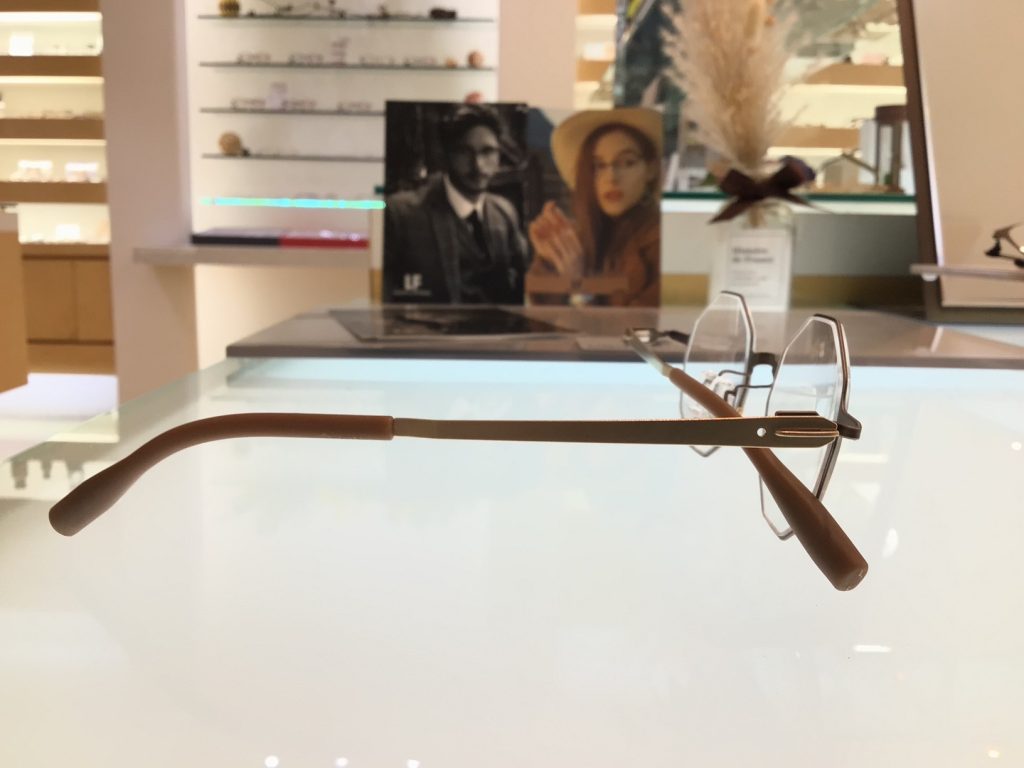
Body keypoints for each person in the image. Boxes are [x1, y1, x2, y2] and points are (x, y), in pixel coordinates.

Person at [383, 104, 528, 304]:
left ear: (499, 156)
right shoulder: (401, 214)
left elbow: (521, 285)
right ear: (447, 155)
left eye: (488, 152)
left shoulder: (504, 212)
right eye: (464, 152)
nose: (478, 165)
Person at [527, 108, 661, 306]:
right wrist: (550, 263)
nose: (612, 177)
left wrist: (578, 286)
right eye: (599, 166)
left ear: (651, 170)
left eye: (627, 162)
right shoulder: (579, 239)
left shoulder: (659, 244)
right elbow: (538, 318)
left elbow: (638, 324)